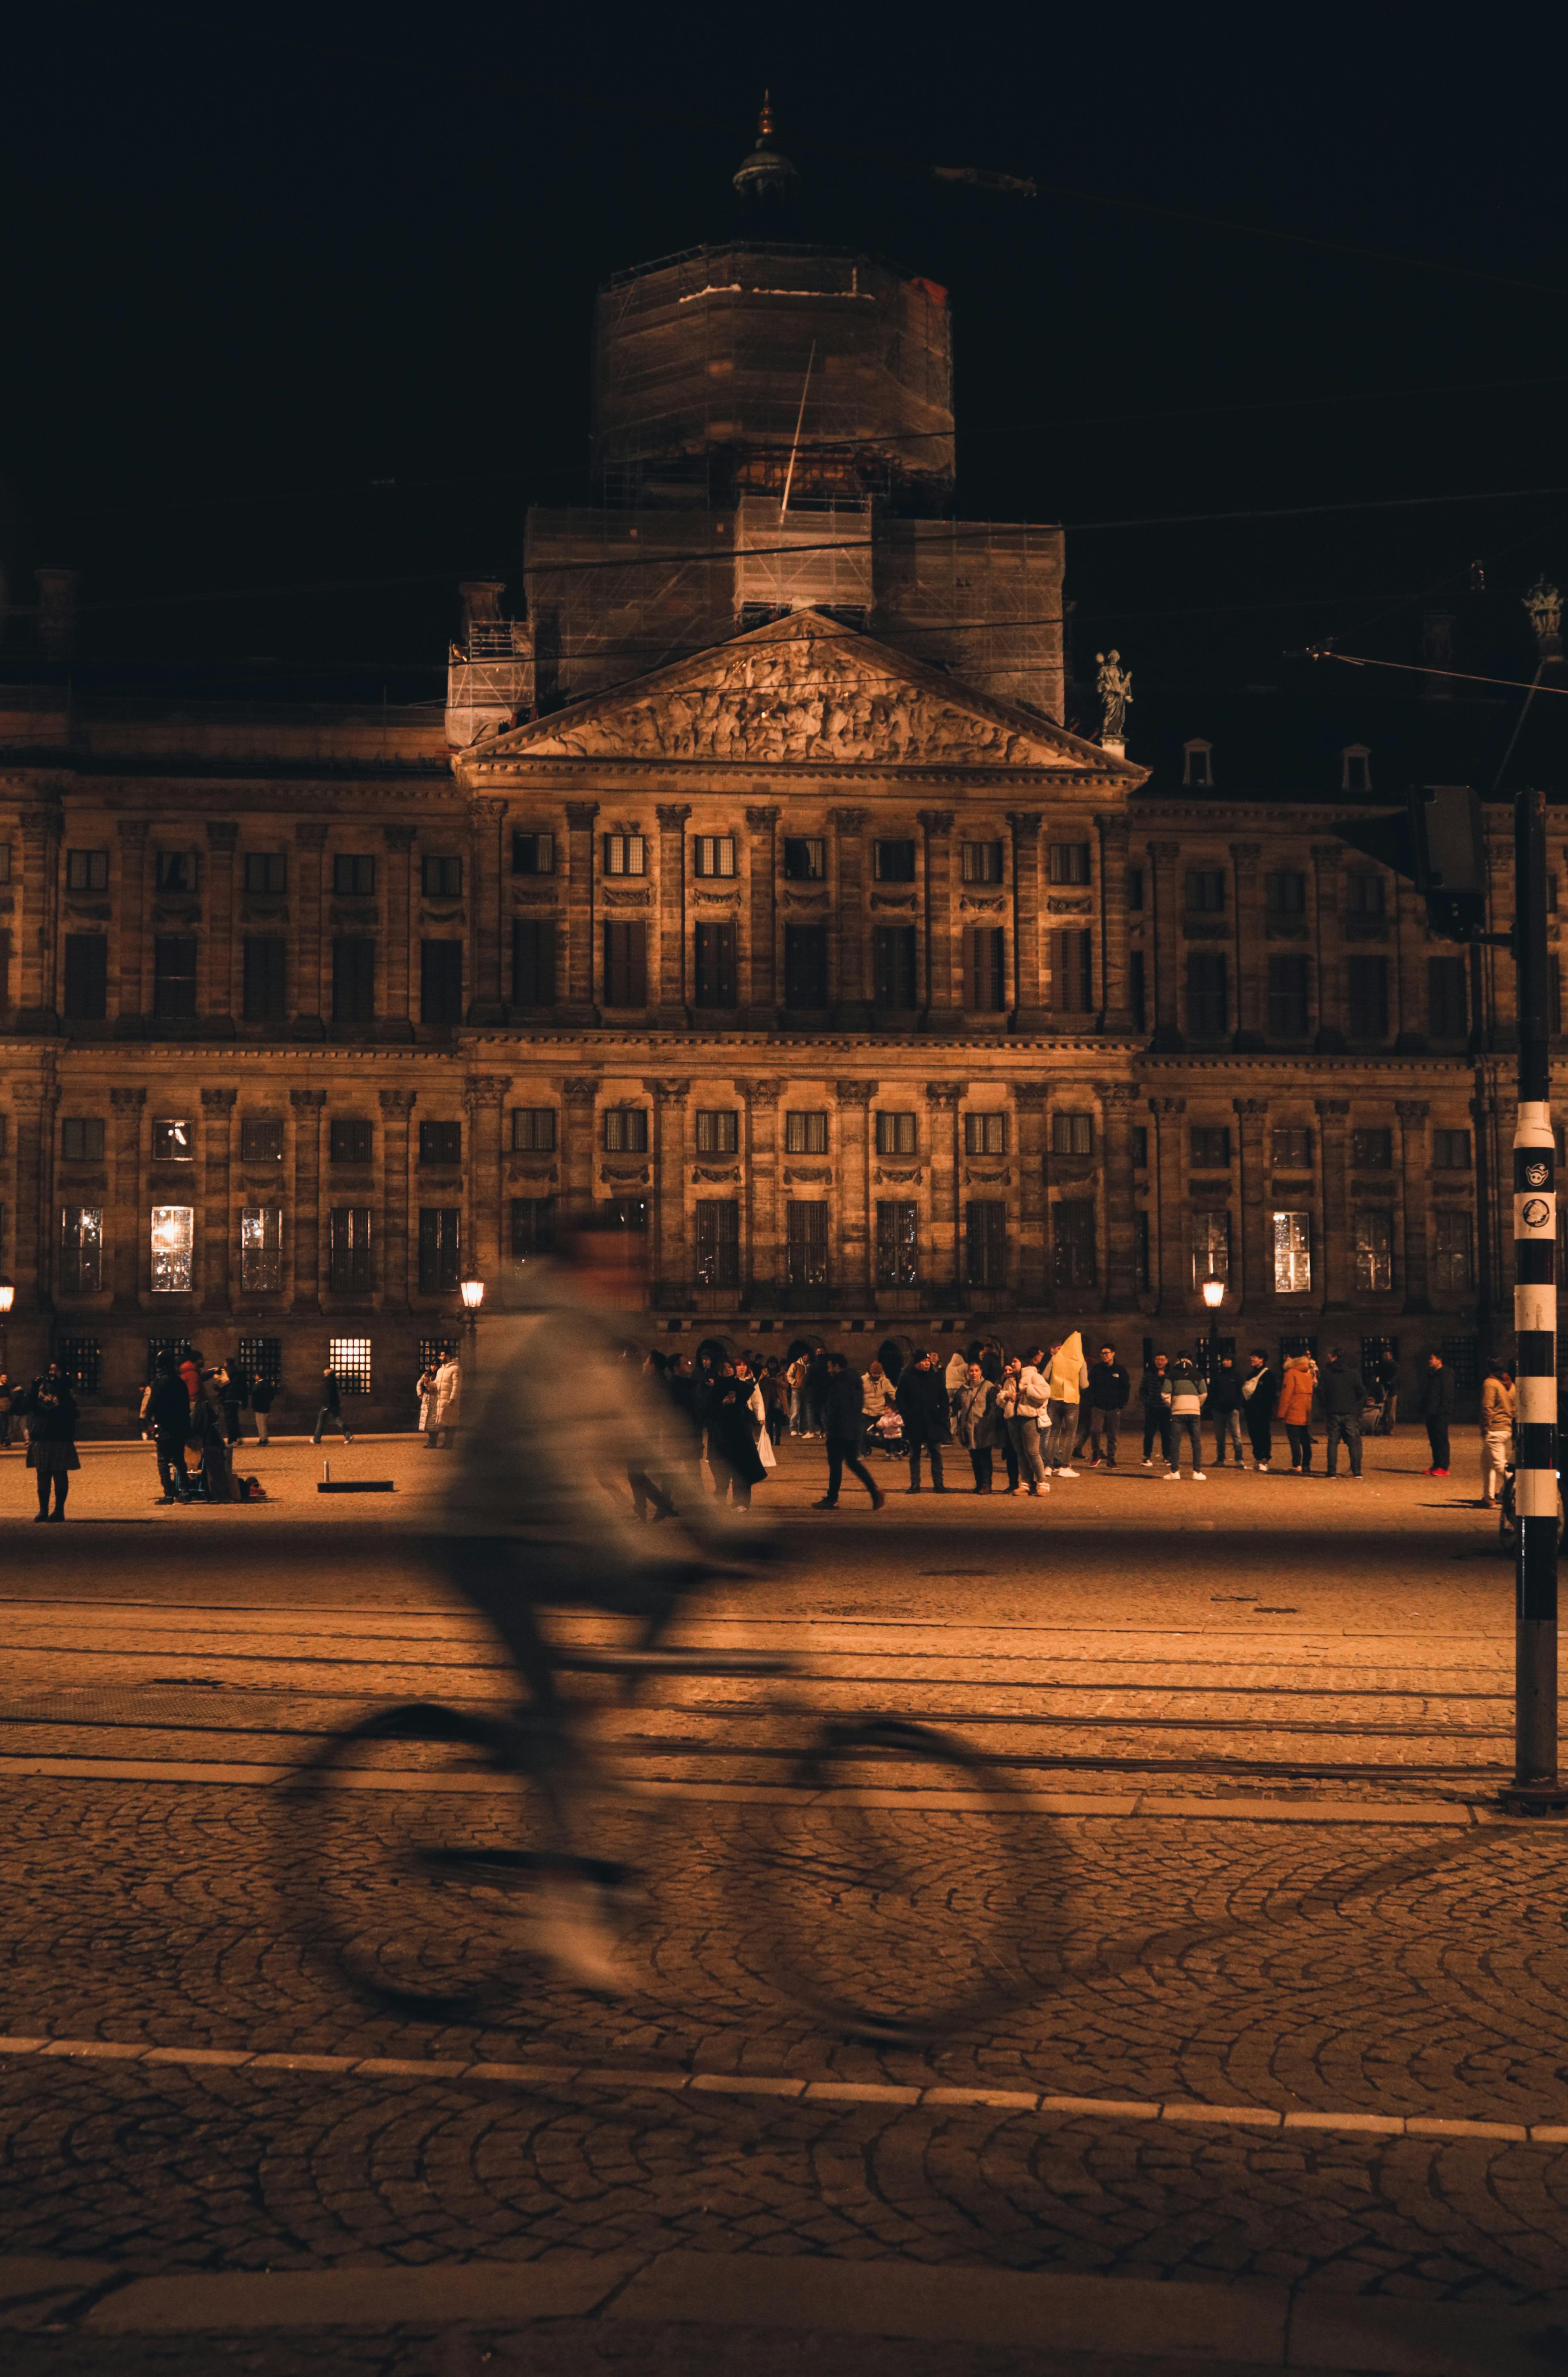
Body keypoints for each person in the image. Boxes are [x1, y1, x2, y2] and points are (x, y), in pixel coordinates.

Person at [814, 1353, 886, 1510]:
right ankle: (874, 1490)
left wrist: (829, 1425)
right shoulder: (855, 1381)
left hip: (839, 1429)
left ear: (837, 1366)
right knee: (853, 1463)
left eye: (830, 1367)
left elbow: (836, 1406)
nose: (829, 1370)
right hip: (853, 1428)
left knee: (836, 1465)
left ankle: (833, 1499)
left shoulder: (839, 1383)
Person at [26, 1364, 80, 1521]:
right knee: (42, 1475)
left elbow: (71, 1411)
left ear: (63, 1372)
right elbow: (29, 1406)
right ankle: (43, 1510)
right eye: (51, 1370)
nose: (52, 1373)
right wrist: (35, 1386)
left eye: (56, 1370)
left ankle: (59, 1511)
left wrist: (59, 1388)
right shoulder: (41, 1391)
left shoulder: (68, 1390)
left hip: (60, 1437)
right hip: (41, 1436)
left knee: (59, 1474)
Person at [707, 1369, 766, 1510]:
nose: (727, 1370)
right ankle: (721, 1500)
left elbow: (753, 1397)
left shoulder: (741, 1386)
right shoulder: (713, 1389)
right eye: (724, 1367)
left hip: (739, 1434)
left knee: (741, 1469)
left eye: (730, 1367)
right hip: (721, 1435)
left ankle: (741, 1502)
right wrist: (722, 1404)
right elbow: (708, 1411)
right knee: (722, 1471)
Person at [895, 1348, 950, 1492]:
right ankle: (915, 1483)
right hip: (915, 1422)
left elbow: (944, 1397)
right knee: (915, 1455)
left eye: (928, 1361)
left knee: (936, 1454)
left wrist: (943, 1415)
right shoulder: (907, 1376)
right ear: (916, 1363)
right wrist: (907, 1415)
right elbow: (900, 1398)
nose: (927, 1363)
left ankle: (939, 1483)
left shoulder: (935, 1377)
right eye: (924, 1361)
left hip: (933, 1421)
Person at [147, 1352, 192, 1503]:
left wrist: (148, 1421)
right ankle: (185, 1492)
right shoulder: (180, 1382)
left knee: (163, 1461)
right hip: (180, 1425)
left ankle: (169, 1494)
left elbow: (153, 1404)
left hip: (165, 1425)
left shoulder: (160, 1382)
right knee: (179, 1460)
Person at [1044, 1332, 1087, 1476]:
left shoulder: (1055, 1358)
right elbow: (1084, 1384)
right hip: (1072, 1401)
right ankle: (1064, 1467)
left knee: (1053, 1434)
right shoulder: (1081, 1362)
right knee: (1070, 1435)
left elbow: (1044, 1377)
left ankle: (1048, 1467)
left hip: (1055, 1399)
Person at [1321, 1345, 1367, 1479]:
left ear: (1335, 1358)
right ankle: (1357, 1471)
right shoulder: (1353, 1374)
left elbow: (1321, 1392)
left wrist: (1327, 1406)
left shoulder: (1327, 1373)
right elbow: (1361, 1392)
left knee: (1333, 1443)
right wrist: (1356, 1406)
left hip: (1333, 1411)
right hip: (1350, 1411)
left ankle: (1331, 1472)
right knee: (1353, 1442)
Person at [955, 1361, 1001, 1492]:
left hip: (984, 1428)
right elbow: (956, 1405)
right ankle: (979, 1483)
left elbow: (994, 1406)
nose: (974, 1374)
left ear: (981, 1372)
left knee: (985, 1457)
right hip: (969, 1429)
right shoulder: (963, 1389)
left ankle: (987, 1485)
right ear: (968, 1373)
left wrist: (989, 1420)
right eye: (971, 1371)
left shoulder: (988, 1387)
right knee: (975, 1458)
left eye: (976, 1371)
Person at [1084, 1344, 1129, 1468]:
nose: (1105, 1356)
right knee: (1095, 1430)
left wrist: (1122, 1404)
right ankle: (1096, 1453)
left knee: (1112, 1434)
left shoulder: (1120, 1370)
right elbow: (1091, 1386)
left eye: (1107, 1353)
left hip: (1114, 1407)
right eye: (1103, 1354)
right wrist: (1092, 1402)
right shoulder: (1097, 1370)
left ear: (1113, 1353)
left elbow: (1125, 1388)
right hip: (1098, 1406)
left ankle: (1111, 1458)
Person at [1163, 1355, 1206, 1480]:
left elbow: (1165, 1394)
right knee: (1196, 1442)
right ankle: (1197, 1472)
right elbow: (1204, 1393)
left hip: (1177, 1412)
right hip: (1194, 1412)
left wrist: (1174, 1405)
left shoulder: (1171, 1375)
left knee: (1175, 1442)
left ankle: (1175, 1472)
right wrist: (1197, 1404)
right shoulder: (1198, 1375)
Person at [1480, 1361, 1516, 1509]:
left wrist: (1485, 1427)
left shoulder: (1490, 1384)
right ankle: (1489, 1497)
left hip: (1495, 1428)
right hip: (1507, 1426)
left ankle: (1517, 1489)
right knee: (1487, 1463)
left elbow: (1487, 1407)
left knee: (1499, 1465)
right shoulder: (1510, 1384)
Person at [1276, 1351, 1318, 1475]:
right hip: (1306, 1411)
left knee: (1294, 1439)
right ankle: (1306, 1464)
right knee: (1305, 1439)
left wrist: (1281, 1413)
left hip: (1294, 1410)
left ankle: (1296, 1465)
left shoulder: (1291, 1373)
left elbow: (1286, 1395)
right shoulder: (1308, 1373)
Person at [1207, 1355, 1246, 1469]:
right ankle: (1221, 1459)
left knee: (1236, 1435)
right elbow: (1213, 1391)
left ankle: (1239, 1459)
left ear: (1232, 1362)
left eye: (1228, 1360)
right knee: (1220, 1436)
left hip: (1232, 1410)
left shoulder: (1237, 1376)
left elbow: (1240, 1392)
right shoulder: (1218, 1376)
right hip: (1219, 1409)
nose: (1226, 1362)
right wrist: (1214, 1405)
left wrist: (1237, 1407)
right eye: (1224, 1360)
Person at [1419, 1352, 1454, 1477]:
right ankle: (1436, 1464)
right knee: (1434, 1440)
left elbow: (1447, 1395)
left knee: (1441, 1439)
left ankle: (1444, 1466)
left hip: (1440, 1413)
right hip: (1431, 1412)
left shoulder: (1445, 1375)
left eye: (1432, 1359)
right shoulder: (1432, 1375)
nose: (1430, 1361)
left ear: (1439, 1360)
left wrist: (1443, 1411)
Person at [1241, 1349, 1277, 1472]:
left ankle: (1265, 1459)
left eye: (1255, 1357)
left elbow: (1271, 1394)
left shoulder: (1268, 1375)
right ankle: (1257, 1458)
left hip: (1263, 1411)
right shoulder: (1251, 1375)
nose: (1252, 1359)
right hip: (1252, 1410)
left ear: (1262, 1360)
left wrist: (1268, 1409)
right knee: (1254, 1434)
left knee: (1264, 1434)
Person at [1139, 1353, 1173, 1468]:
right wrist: (1146, 1402)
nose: (1160, 1362)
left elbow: (1171, 1388)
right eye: (1158, 1359)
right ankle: (1147, 1456)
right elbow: (1143, 1389)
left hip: (1166, 1409)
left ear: (1167, 1361)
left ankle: (1167, 1457)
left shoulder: (1170, 1375)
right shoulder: (1149, 1374)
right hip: (1152, 1408)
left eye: (1162, 1360)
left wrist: (1163, 1377)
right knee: (1149, 1433)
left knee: (1167, 1434)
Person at [312, 1364, 355, 1445]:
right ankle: (348, 1435)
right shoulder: (334, 1382)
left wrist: (327, 1406)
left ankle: (317, 1439)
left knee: (321, 1421)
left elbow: (328, 1395)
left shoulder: (327, 1382)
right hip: (335, 1405)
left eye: (325, 1374)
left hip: (328, 1405)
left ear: (327, 1374)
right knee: (339, 1420)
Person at [430, 1351, 461, 1447]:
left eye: (443, 1355)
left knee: (451, 1423)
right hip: (442, 1400)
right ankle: (446, 1443)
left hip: (449, 1400)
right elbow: (437, 1384)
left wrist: (453, 1398)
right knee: (445, 1423)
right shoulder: (440, 1371)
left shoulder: (455, 1369)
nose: (441, 1358)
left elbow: (457, 1385)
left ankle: (449, 1443)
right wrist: (428, 1384)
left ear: (448, 1356)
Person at [1374, 1348, 1400, 1436]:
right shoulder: (1380, 1365)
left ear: (1391, 1356)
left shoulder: (1395, 1366)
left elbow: (1396, 1376)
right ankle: (1384, 1427)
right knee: (1383, 1410)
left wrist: (1391, 1382)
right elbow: (1376, 1373)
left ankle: (1391, 1428)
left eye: (1387, 1355)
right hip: (1382, 1390)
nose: (1385, 1357)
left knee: (1391, 1411)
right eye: (1384, 1355)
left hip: (1391, 1390)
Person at [250, 1366, 277, 1446]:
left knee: (260, 1424)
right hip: (266, 1406)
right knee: (264, 1423)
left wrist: (254, 1406)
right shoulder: (268, 1384)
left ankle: (263, 1439)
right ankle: (265, 1438)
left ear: (258, 1376)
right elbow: (272, 1396)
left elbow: (255, 1396)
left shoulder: (258, 1385)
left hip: (259, 1407)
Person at [416, 1359, 441, 1444]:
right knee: (428, 1422)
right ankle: (431, 1440)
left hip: (435, 1399)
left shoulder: (439, 1375)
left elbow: (438, 1386)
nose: (433, 1368)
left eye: (435, 1366)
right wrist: (420, 1394)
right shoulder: (427, 1375)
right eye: (432, 1366)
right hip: (427, 1399)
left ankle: (433, 1441)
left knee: (434, 1422)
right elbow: (419, 1384)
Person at [0, 1371, 14, 1450]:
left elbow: (10, 1398)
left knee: (6, 1427)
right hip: (1, 1410)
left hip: (6, 1410)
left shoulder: (7, 1388)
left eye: (6, 1378)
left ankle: (3, 1442)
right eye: (4, 1378)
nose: (5, 1379)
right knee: (2, 1426)